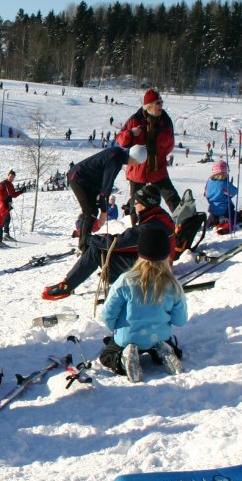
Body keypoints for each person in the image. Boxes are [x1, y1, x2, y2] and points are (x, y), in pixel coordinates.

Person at [42, 183, 176, 301]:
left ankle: (67, 286)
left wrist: (90, 239)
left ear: (146, 204)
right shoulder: (159, 218)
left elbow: (119, 243)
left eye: (137, 202)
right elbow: (130, 242)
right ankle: (111, 274)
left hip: (152, 272)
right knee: (102, 247)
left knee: (96, 251)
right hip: (156, 266)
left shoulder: (150, 226)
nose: (135, 206)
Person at [97, 223, 188, 382]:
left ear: (140, 252)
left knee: (107, 355)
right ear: (167, 255)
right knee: (169, 345)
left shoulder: (126, 280)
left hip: (128, 337)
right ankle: (164, 353)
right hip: (158, 335)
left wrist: (114, 328)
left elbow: (108, 314)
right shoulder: (173, 285)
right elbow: (180, 320)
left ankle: (123, 359)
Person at [67, 144, 147, 252]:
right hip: (78, 178)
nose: (134, 165)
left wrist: (102, 206)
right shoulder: (116, 160)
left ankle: (85, 242)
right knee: (89, 212)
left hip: (87, 180)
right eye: (136, 163)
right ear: (133, 158)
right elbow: (106, 188)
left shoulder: (119, 154)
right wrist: (104, 210)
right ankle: (84, 246)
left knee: (92, 211)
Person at [115, 89, 180, 215]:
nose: (161, 106)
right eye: (158, 103)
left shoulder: (166, 121)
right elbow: (120, 140)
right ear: (148, 106)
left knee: (170, 195)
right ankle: (135, 225)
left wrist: (158, 155)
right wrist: (131, 133)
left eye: (161, 102)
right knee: (136, 200)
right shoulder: (135, 120)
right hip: (138, 168)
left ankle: (183, 221)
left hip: (157, 167)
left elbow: (170, 145)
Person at [204, 159, 239, 226]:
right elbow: (233, 192)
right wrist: (229, 184)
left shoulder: (209, 182)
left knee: (213, 216)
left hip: (212, 210)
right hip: (225, 210)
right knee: (237, 216)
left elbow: (206, 194)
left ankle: (213, 220)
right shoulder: (224, 184)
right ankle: (223, 219)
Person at [0, 170, 22, 240]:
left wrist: (20, 191)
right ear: (8, 176)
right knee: (6, 218)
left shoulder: (10, 185)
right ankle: (4, 234)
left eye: (13, 177)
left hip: (7, 204)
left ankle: (2, 234)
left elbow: (13, 195)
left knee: (6, 219)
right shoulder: (3, 183)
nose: (11, 178)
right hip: (2, 204)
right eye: (10, 176)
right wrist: (5, 197)